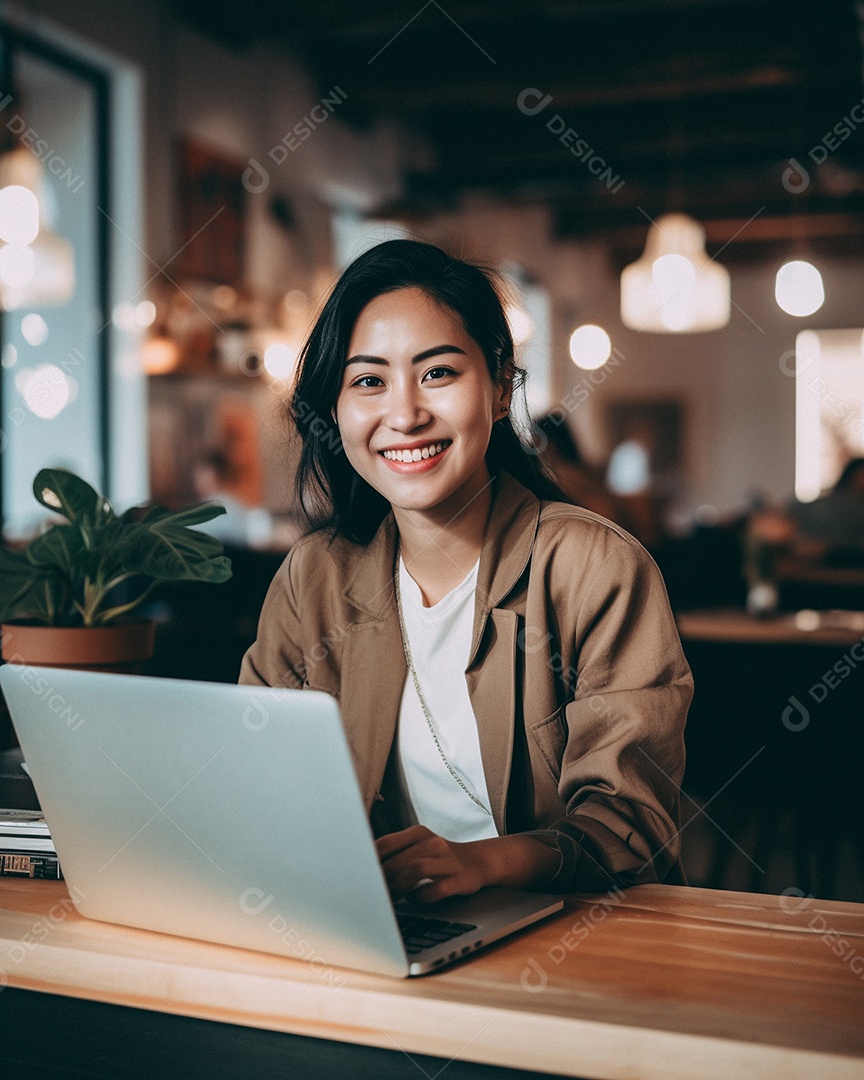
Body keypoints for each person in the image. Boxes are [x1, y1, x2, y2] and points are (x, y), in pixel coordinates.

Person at [239, 239, 692, 900]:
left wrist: (485, 863)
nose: (404, 414)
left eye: (438, 373)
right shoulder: (314, 580)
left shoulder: (594, 567)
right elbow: (258, 787)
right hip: (384, 934)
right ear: (335, 409)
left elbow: (631, 830)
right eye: (369, 381)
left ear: (502, 388)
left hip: (584, 937)